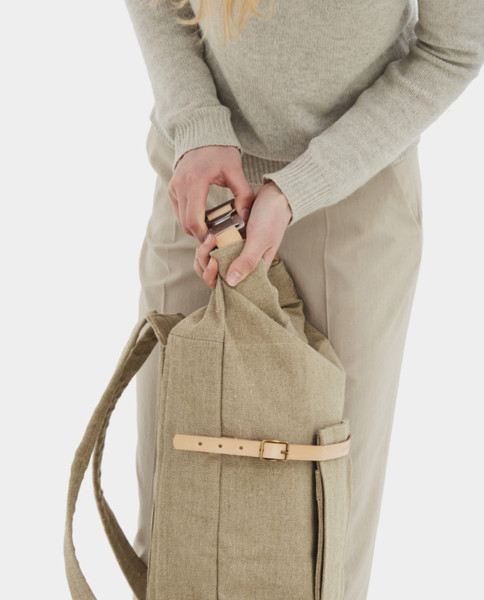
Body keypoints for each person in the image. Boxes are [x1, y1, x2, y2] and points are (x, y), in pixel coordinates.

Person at [124, 1, 484, 598]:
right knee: (174, 526)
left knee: (323, 543)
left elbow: (454, 47)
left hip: (354, 194)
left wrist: (301, 187)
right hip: (201, 184)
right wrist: (197, 124)